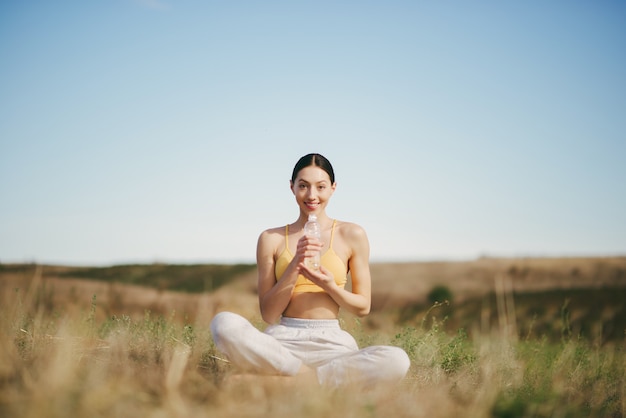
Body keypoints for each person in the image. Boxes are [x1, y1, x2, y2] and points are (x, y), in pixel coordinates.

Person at [210, 153, 410, 388]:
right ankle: (312, 381)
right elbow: (269, 314)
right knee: (223, 324)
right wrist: (295, 265)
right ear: (292, 187)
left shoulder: (352, 234)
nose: (312, 195)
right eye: (303, 186)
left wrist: (329, 286)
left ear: (333, 188)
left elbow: (362, 307)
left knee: (397, 360)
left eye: (321, 187)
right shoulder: (270, 238)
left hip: (332, 344)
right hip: (283, 344)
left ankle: (286, 385)